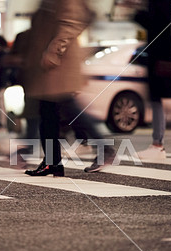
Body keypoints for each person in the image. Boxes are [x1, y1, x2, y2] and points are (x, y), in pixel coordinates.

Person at [22, 0, 115, 177]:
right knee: (48, 112)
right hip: (48, 62)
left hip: (57, 61)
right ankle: (52, 162)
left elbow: (71, 20)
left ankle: (105, 148)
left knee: (68, 106)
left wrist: (55, 50)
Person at [135, 1, 171, 160]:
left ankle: (158, 144)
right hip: (161, 54)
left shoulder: (159, 5)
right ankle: (157, 143)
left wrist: (138, 14)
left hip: (160, 55)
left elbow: (156, 23)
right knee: (157, 99)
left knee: (157, 98)